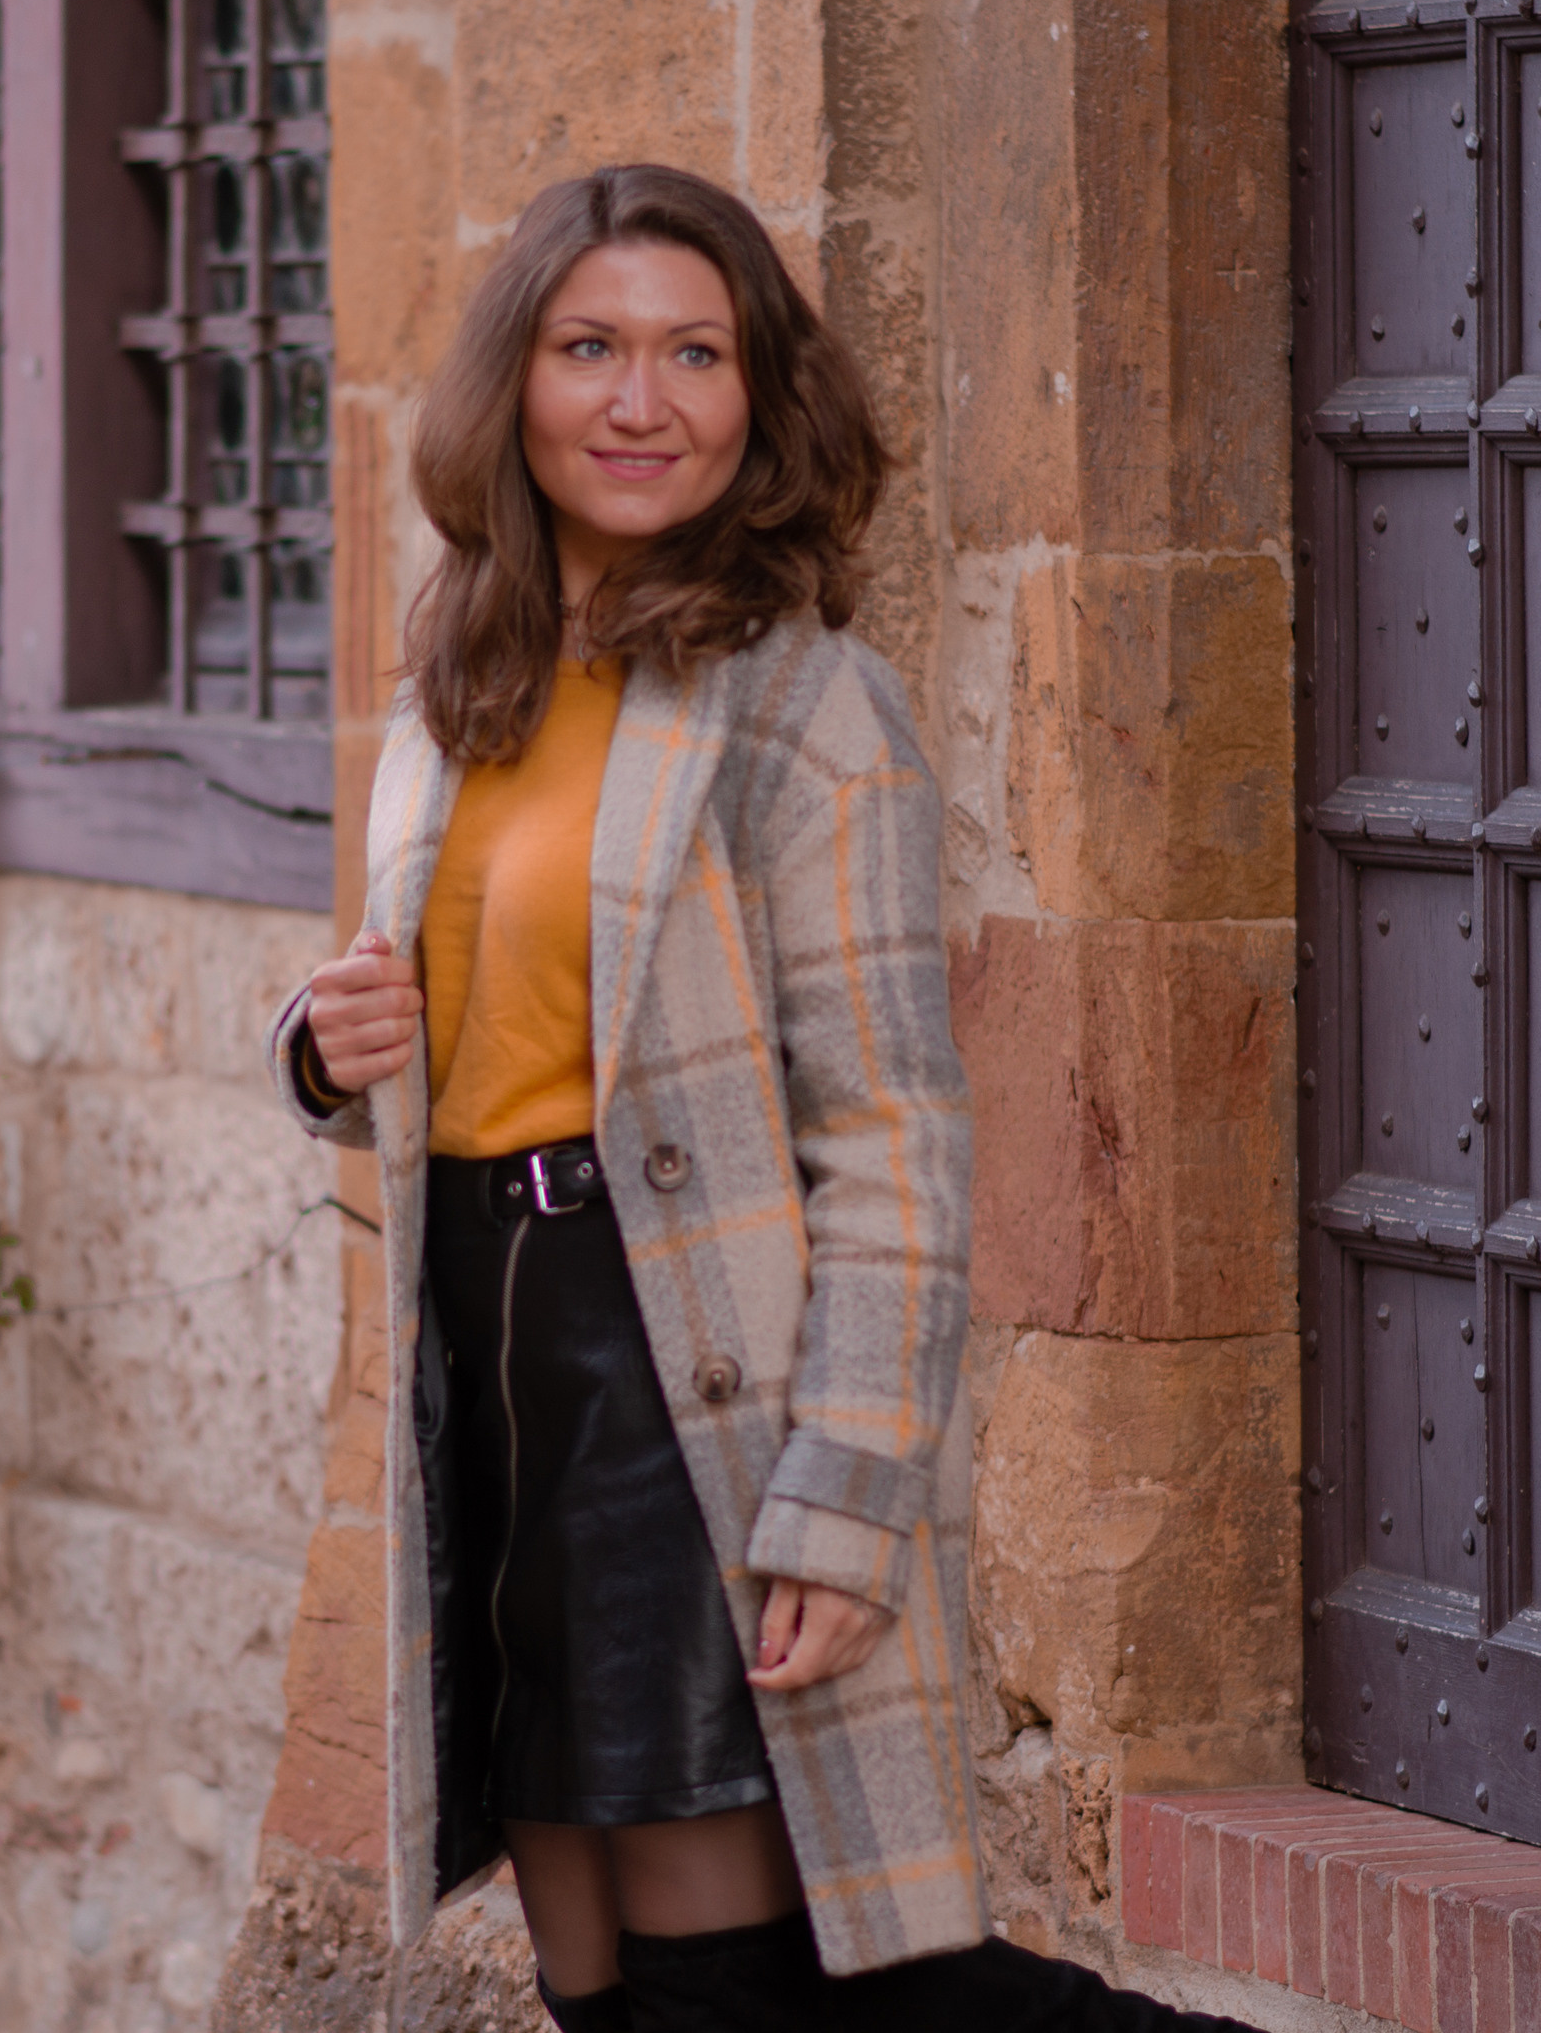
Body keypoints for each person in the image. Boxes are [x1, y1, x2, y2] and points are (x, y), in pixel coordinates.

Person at [267, 165, 1256, 2033]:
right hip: (489, 1370)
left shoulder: (807, 711)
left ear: (758, 396)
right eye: (591, 349)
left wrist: (845, 1499)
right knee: (583, 1961)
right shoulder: (452, 679)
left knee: (741, 1969)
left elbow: (895, 1136)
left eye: (693, 354)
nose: (642, 402)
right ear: (515, 387)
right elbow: (454, 1025)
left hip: (689, 1378)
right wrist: (320, 1049)